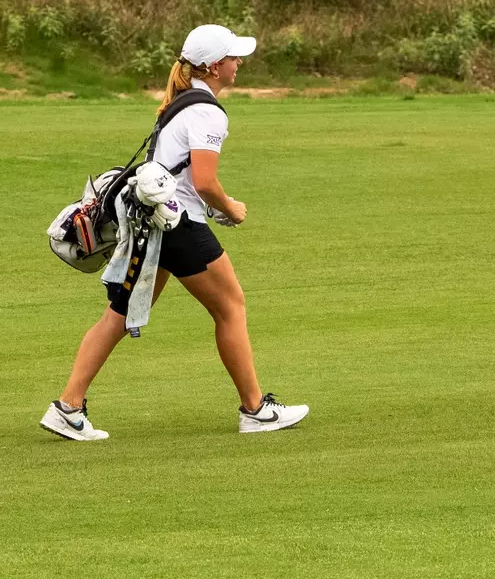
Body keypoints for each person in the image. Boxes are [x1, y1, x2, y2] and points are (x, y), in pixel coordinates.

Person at [40, 24, 310, 441]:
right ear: (214, 66)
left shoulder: (182, 101)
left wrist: (213, 205)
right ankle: (255, 410)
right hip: (178, 226)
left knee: (118, 315)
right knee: (231, 307)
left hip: (153, 225)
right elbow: (203, 181)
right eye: (233, 58)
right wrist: (231, 208)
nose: (239, 64)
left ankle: (68, 407)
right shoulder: (208, 112)